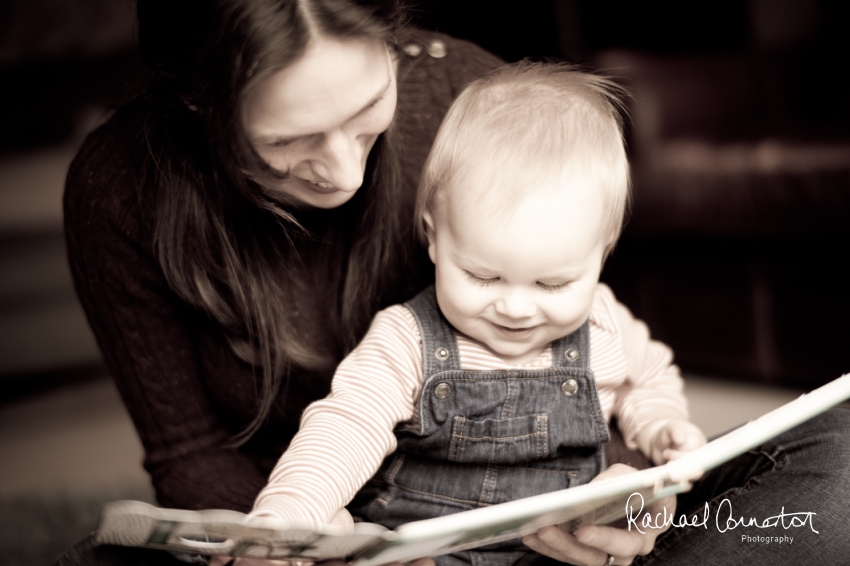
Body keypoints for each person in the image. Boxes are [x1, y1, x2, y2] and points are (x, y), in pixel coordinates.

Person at [247, 61, 707, 565]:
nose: (514, 307)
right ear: (434, 238)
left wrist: (661, 428)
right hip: (425, 548)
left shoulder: (603, 324)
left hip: (559, 553)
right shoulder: (407, 339)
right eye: (483, 277)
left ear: (602, 253)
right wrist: (291, 512)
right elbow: (344, 427)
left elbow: (648, 380)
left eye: (553, 283)